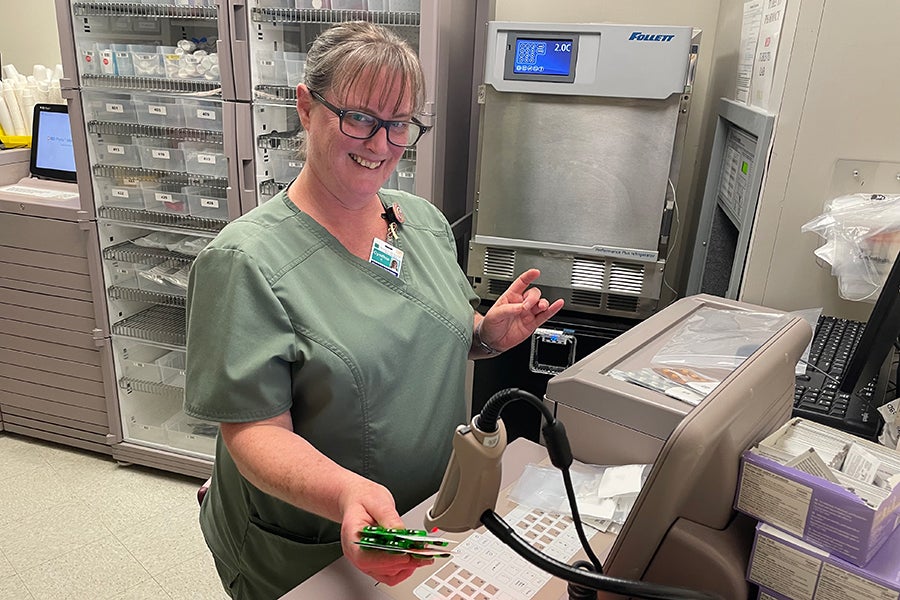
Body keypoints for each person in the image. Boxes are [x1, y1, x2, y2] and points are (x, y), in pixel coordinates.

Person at [184, 21, 564, 599]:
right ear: (306, 107)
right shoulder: (244, 262)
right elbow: (253, 430)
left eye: (399, 124)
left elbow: (422, 330)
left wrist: (485, 334)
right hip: (311, 544)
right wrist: (344, 493)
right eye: (360, 118)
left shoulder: (420, 221)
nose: (381, 144)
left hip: (422, 517)